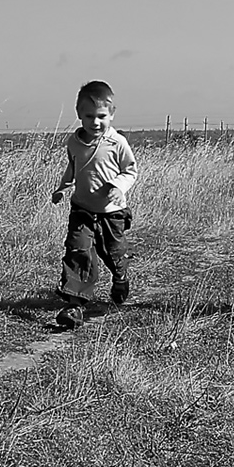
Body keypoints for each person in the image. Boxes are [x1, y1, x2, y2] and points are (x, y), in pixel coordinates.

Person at [51, 80, 138, 328]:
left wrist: (118, 187)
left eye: (101, 116)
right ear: (79, 114)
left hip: (111, 212)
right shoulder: (74, 142)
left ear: (112, 114)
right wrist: (62, 187)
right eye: (89, 116)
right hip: (82, 209)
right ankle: (75, 304)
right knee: (78, 250)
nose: (95, 122)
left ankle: (120, 276)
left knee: (113, 252)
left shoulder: (117, 142)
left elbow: (131, 171)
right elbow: (74, 168)